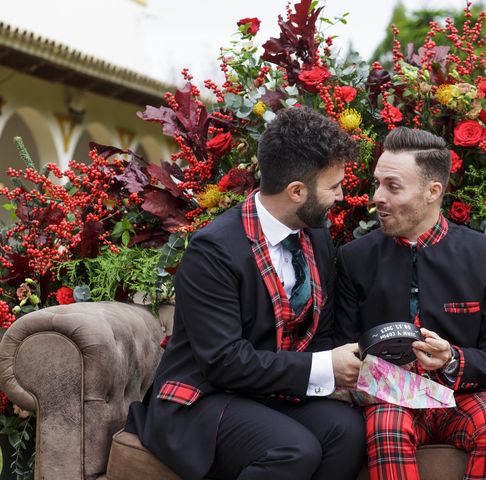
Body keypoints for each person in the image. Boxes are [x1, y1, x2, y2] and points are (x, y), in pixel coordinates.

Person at [126, 107, 365, 480]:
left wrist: (343, 373)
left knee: (346, 432)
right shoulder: (214, 252)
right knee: (292, 449)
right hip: (200, 398)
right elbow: (223, 361)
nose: (341, 195)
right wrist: (323, 368)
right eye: (333, 187)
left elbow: (321, 331)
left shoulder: (316, 235)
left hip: (269, 393)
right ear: (297, 191)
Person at [334, 127, 486, 480]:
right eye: (377, 183)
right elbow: (341, 349)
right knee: (386, 426)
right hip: (390, 401)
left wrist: (453, 358)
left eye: (393, 187)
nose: (377, 196)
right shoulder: (353, 258)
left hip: (462, 395)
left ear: (432, 191)